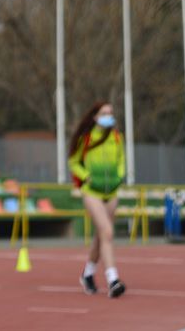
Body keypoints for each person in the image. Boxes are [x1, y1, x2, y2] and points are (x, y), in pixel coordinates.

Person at [68, 101, 126, 299]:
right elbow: (73, 162)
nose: (108, 116)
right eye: (104, 113)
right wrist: (86, 176)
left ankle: (88, 274)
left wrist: (120, 175)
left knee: (102, 235)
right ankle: (113, 280)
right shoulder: (85, 139)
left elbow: (121, 161)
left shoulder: (117, 138)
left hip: (111, 192)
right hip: (91, 191)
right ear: (95, 117)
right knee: (107, 231)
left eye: (110, 113)